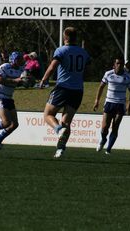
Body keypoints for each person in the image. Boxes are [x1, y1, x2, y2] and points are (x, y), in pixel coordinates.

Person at [39, 27, 90, 158]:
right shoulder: (83, 52)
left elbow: (52, 66)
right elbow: (87, 67)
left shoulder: (61, 50)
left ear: (65, 37)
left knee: (48, 115)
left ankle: (58, 130)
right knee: (66, 122)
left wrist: (44, 79)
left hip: (63, 88)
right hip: (78, 90)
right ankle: (60, 149)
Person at [93, 57, 130, 155]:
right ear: (114, 65)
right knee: (104, 127)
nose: (120, 65)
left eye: (121, 63)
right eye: (118, 63)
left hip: (120, 105)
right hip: (109, 103)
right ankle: (103, 140)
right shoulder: (108, 74)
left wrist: (129, 105)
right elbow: (101, 87)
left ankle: (108, 149)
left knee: (115, 127)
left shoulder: (127, 76)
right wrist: (97, 101)